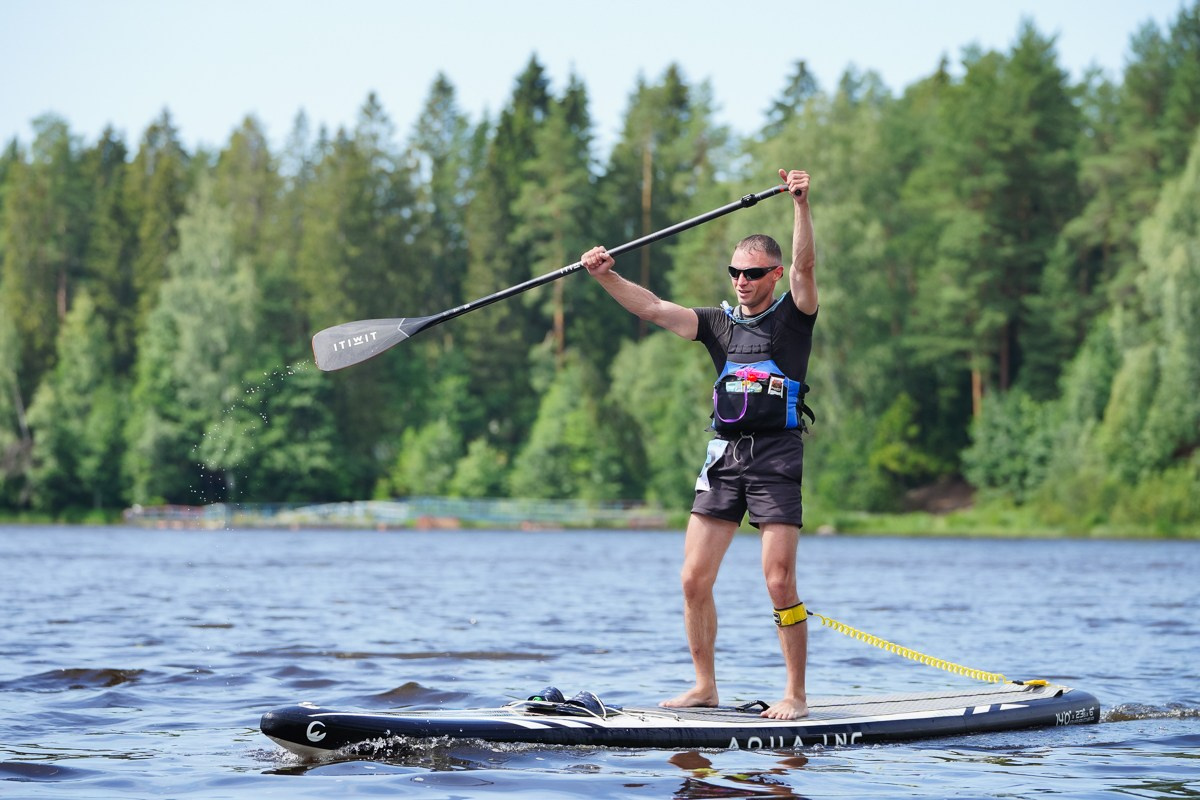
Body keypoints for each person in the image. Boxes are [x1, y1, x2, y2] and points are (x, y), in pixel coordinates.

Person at [581, 168, 816, 720]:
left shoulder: (794, 318)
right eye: (735, 271)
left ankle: (795, 695)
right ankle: (705, 686)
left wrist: (801, 205)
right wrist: (606, 277)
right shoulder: (718, 324)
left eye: (753, 273)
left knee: (779, 580)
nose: (741, 280)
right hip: (725, 458)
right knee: (692, 579)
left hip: (777, 456)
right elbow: (653, 308)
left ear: (774, 275)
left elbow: (807, 266)